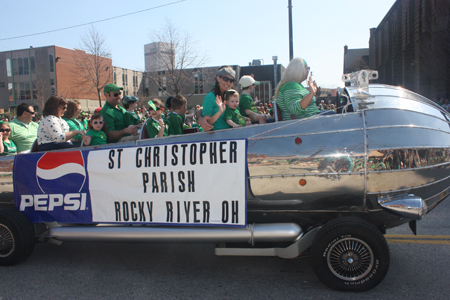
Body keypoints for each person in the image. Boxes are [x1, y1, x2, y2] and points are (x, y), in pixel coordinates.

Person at [199, 66, 236, 131]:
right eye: (225, 79)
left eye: (231, 80)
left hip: (233, 135)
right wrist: (219, 112)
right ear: (218, 78)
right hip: (217, 137)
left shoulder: (231, 96)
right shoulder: (210, 97)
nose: (228, 83)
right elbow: (207, 124)